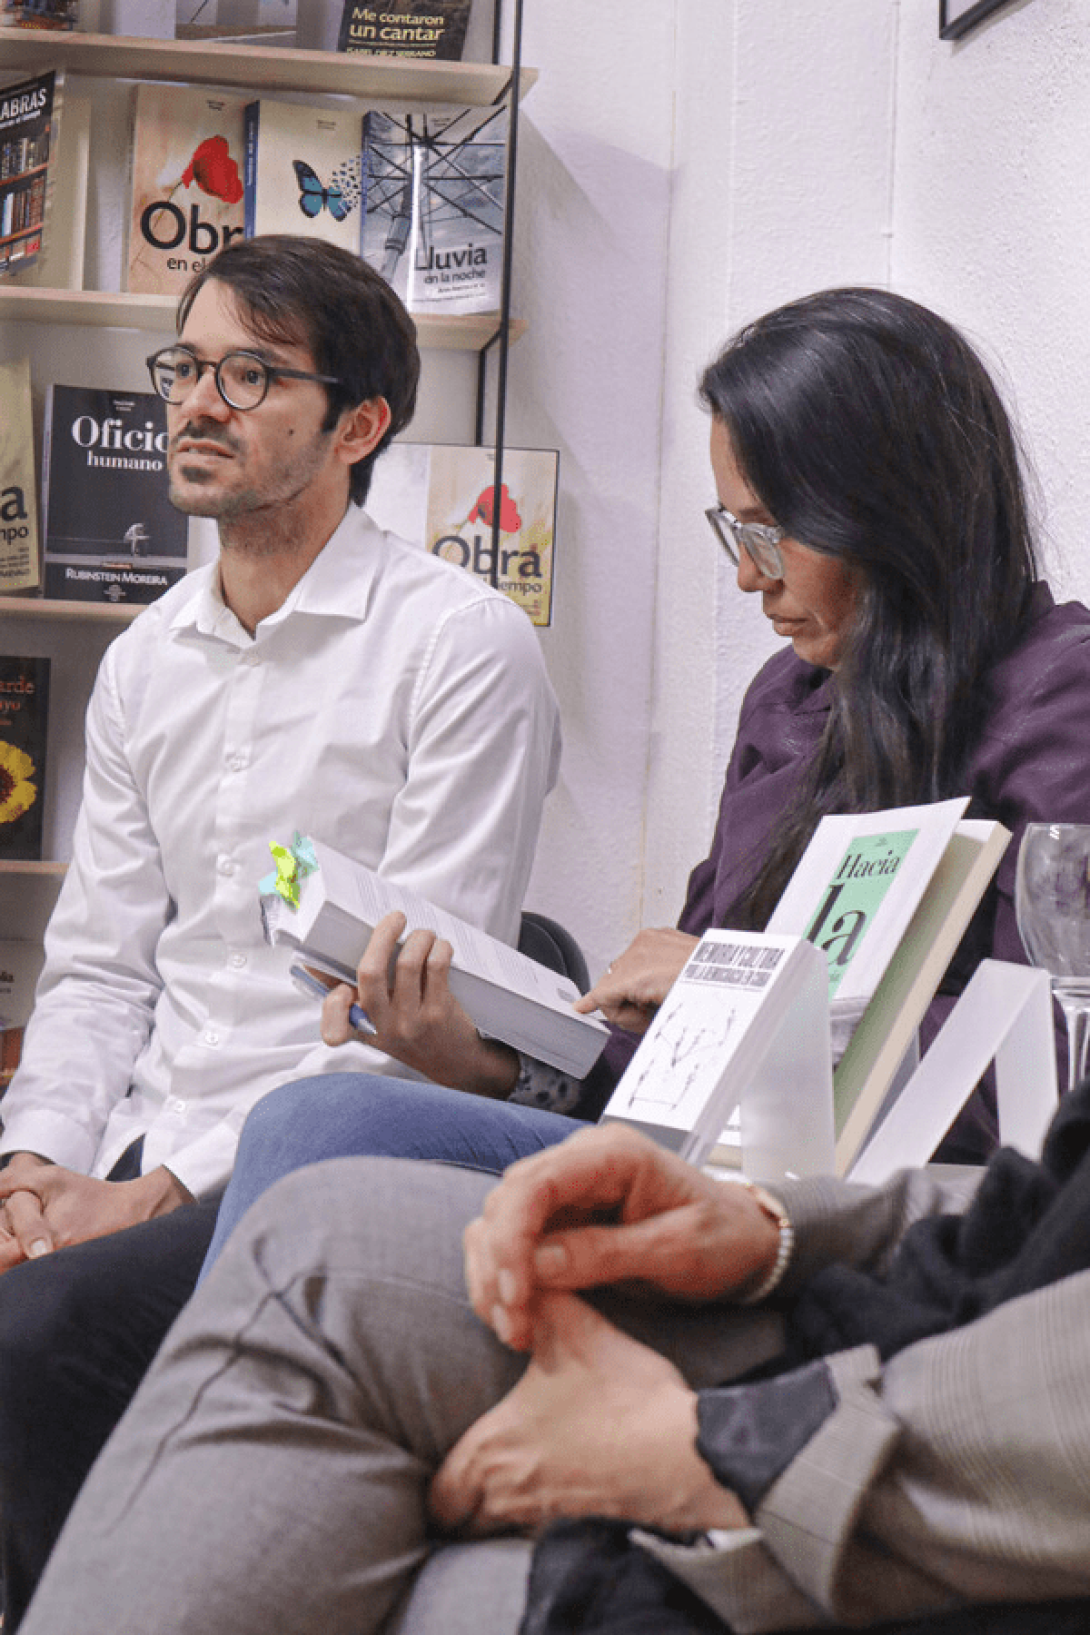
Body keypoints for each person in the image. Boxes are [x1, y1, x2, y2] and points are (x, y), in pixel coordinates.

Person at [201, 279, 1090, 1275]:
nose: (749, 576)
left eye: (769, 531)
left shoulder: (1061, 698)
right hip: (701, 1157)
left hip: (863, 1210)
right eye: (732, 532)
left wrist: (737, 993)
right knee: (95, 1304)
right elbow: (666, 1051)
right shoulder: (791, 699)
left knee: (322, 1120)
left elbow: (1060, 1054)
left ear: (888, 510)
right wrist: (477, 1057)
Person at [0, 233, 561, 1628]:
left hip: (321, 1147)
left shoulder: (461, 646)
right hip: (140, 1134)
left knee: (37, 1338)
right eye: (187, 365)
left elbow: (411, 1020)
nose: (197, 402)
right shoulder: (144, 662)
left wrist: (155, 1192)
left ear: (357, 424)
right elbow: (99, 960)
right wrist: (36, 1163)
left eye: (250, 374)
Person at [20, 1092, 1090, 1635]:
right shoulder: (783, 715)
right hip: (971, 1298)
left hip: (1013, 1469)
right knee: (326, 1246)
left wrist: (722, 1454)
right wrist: (771, 1228)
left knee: (427, 1589)